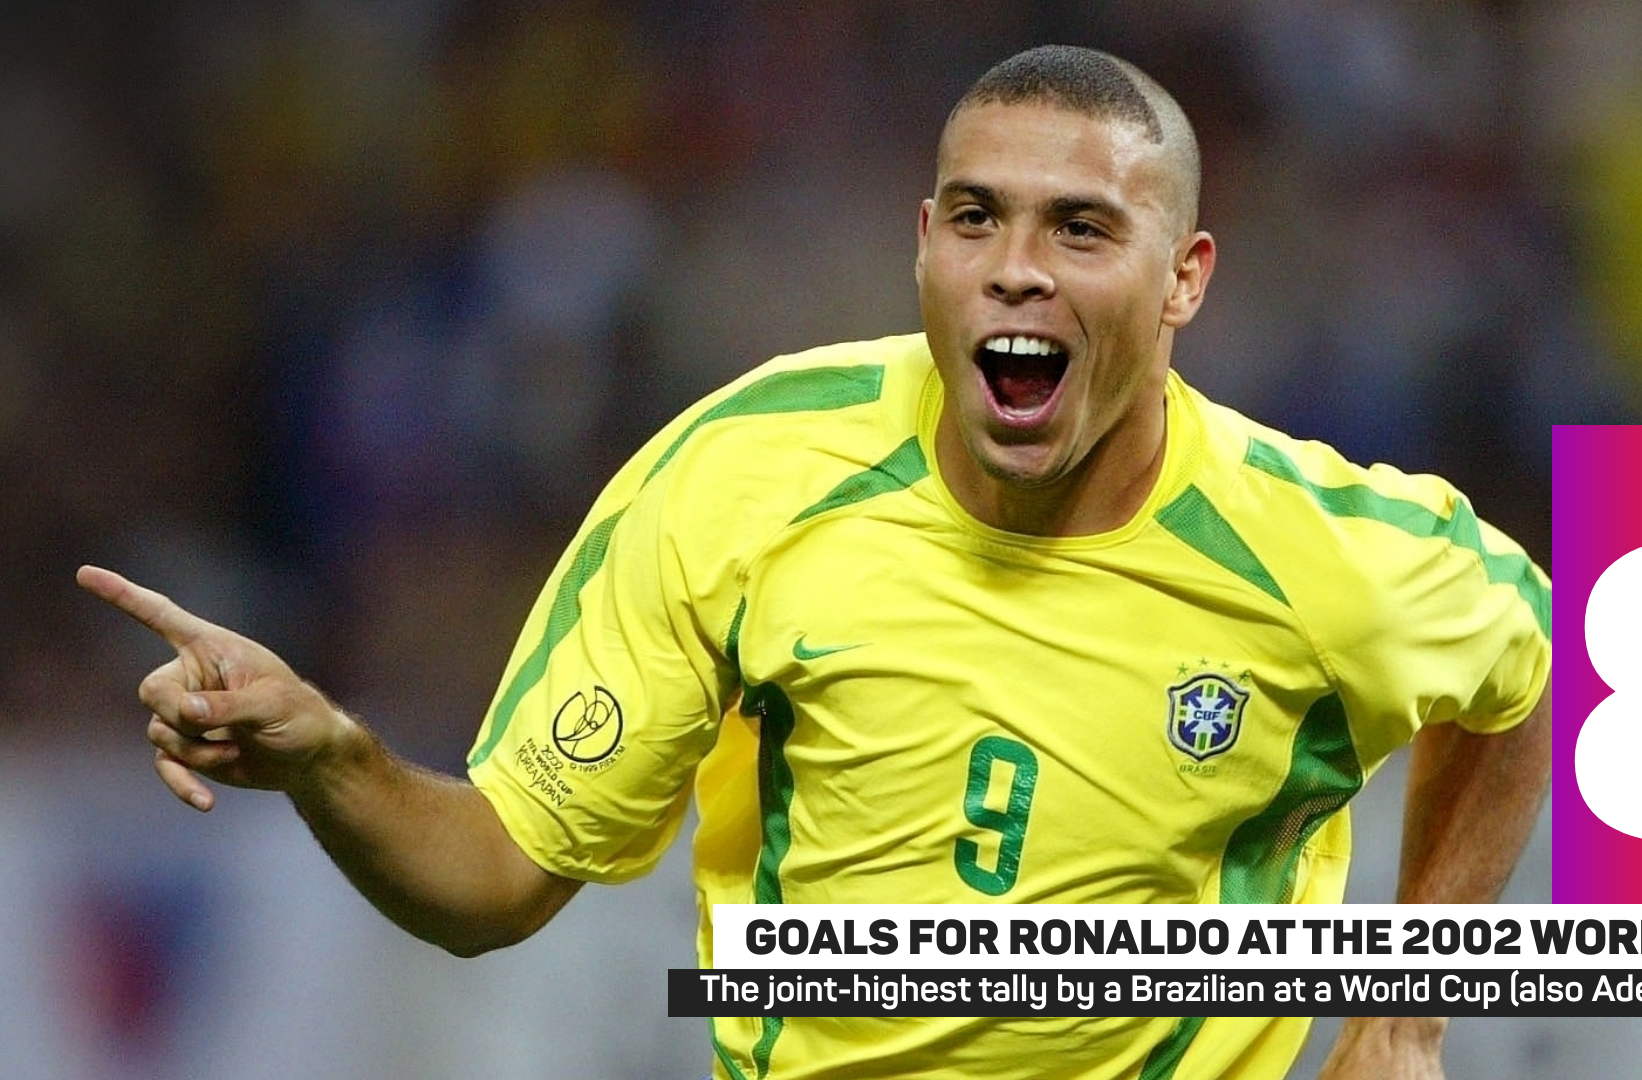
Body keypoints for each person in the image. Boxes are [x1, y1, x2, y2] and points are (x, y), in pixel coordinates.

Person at [80, 44, 1551, 1080]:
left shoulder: (1322, 548)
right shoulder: (744, 478)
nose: (1017, 268)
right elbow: (496, 880)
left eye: (1081, 227)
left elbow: (1523, 661)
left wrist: (1400, 1019)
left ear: (1186, 279)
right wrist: (334, 754)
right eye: (977, 217)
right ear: (922, 245)